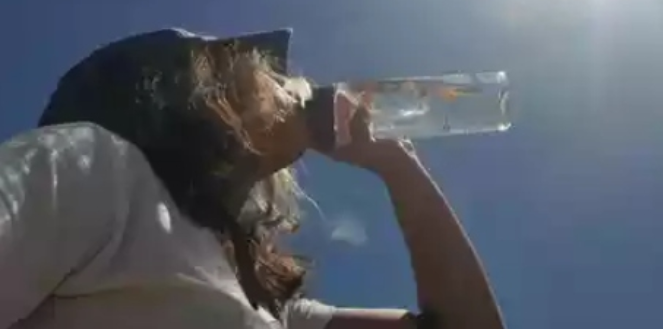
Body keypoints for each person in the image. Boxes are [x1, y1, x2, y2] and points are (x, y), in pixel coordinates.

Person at [0, 28, 507, 329]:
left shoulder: (275, 308)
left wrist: (403, 170)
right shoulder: (98, 170)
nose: (294, 82)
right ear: (198, 91)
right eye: (266, 68)